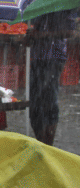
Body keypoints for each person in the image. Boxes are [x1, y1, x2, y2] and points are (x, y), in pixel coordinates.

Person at [25, 9, 76, 146]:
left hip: (53, 58)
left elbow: (70, 32)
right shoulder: (38, 4)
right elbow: (34, 31)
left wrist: (43, 35)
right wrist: (31, 36)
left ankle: (48, 145)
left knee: (48, 101)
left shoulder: (64, 4)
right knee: (35, 103)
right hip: (37, 57)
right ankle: (41, 143)